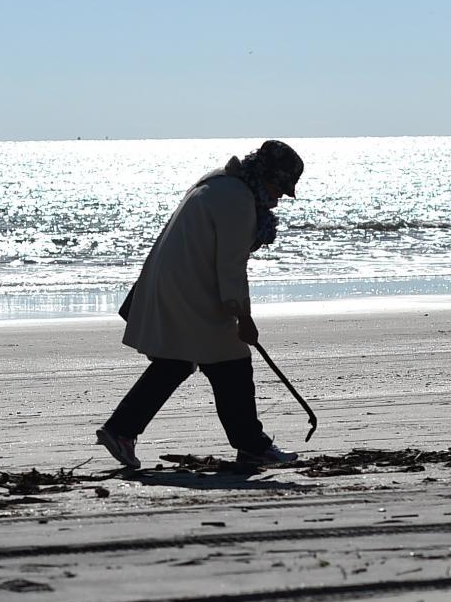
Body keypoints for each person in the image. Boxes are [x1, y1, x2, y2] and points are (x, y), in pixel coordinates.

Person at [96, 140, 305, 473]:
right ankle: (253, 447)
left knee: (177, 362)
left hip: (171, 283)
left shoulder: (221, 181)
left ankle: (121, 431)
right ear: (266, 176)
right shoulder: (238, 201)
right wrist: (243, 316)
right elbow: (231, 266)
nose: (279, 198)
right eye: (278, 188)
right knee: (231, 363)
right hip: (192, 291)